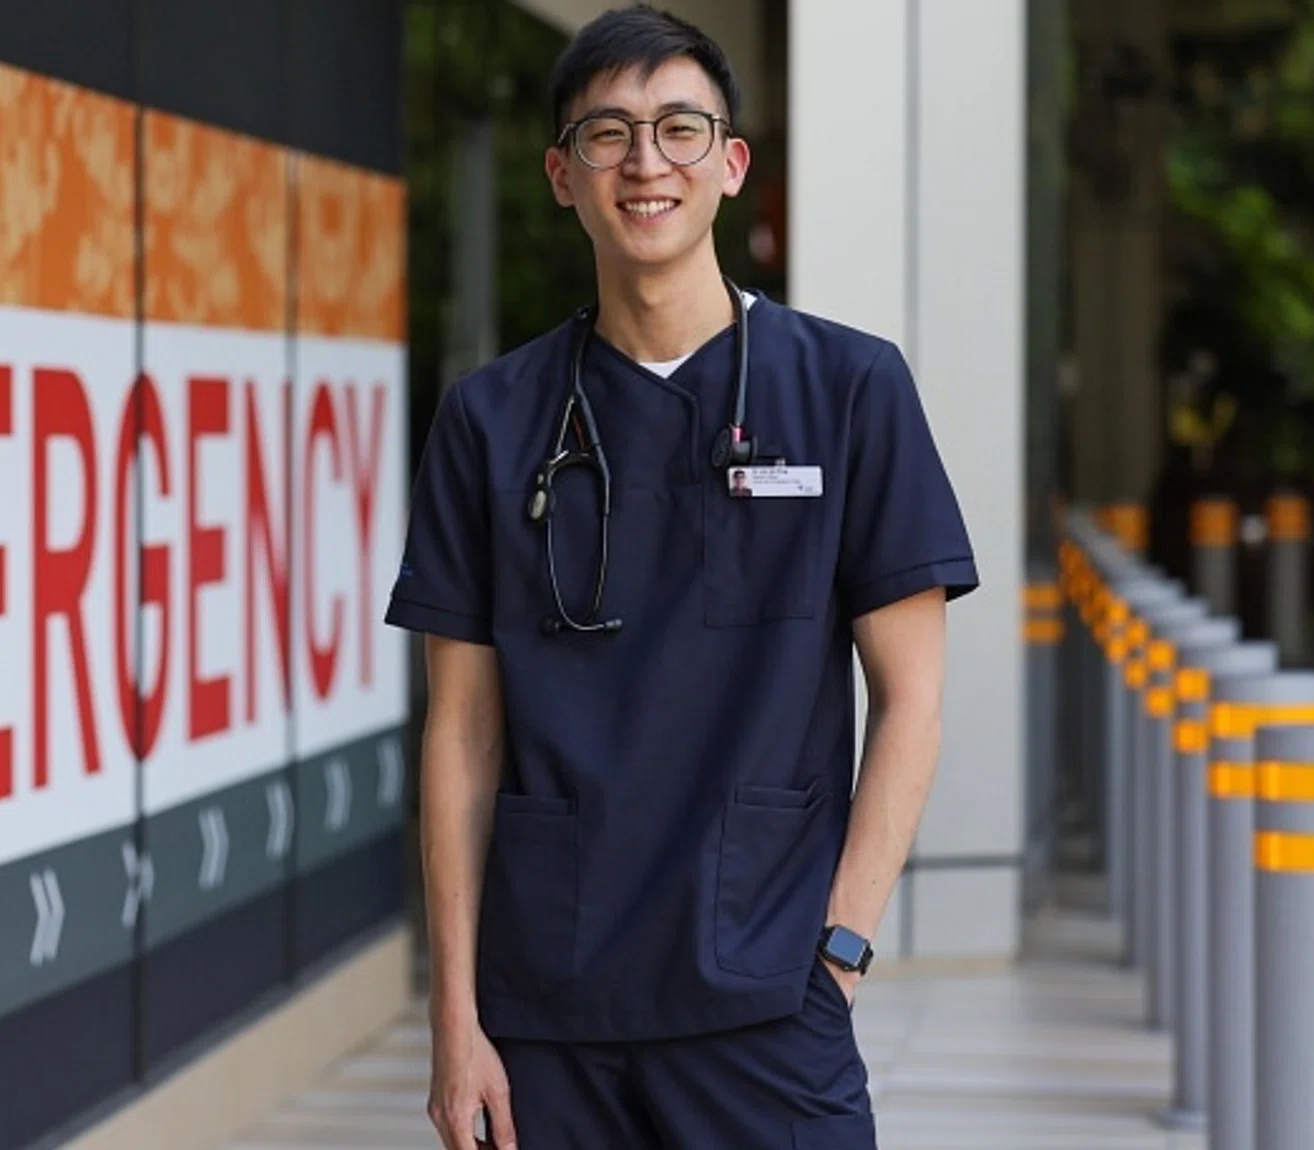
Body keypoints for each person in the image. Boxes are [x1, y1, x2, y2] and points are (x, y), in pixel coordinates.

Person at [384, 7, 978, 1148]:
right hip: (547, 1013)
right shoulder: (490, 421)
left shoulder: (850, 390)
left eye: (678, 127)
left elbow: (912, 700)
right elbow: (460, 734)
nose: (644, 161)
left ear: (731, 163)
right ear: (562, 175)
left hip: (767, 1001)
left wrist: (840, 952)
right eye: (606, 133)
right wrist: (454, 1018)